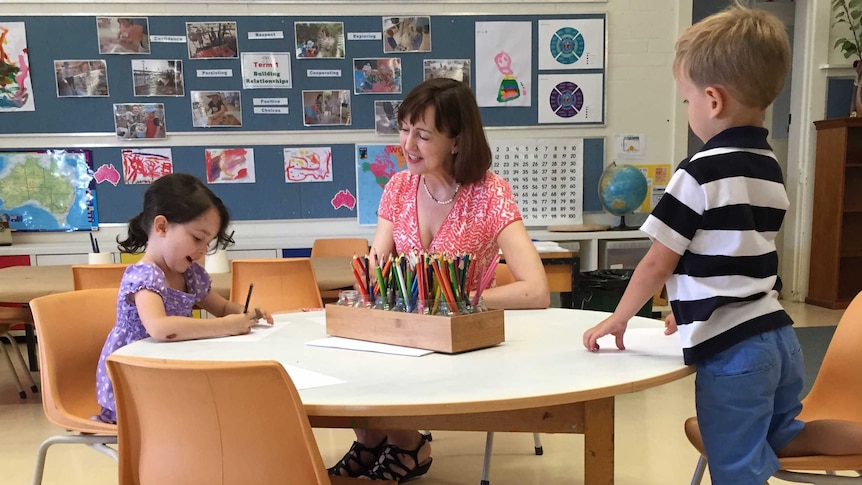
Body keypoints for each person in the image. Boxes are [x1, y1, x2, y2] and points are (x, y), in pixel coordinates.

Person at [582, 3, 862, 484]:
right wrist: (694, 305)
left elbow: (656, 263)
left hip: (736, 355)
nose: (687, 109)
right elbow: (741, 258)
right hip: (778, 339)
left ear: (712, 100)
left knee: (736, 469)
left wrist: (619, 316)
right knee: (786, 434)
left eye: (686, 100)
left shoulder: (698, 172)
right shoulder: (768, 166)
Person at [327, 77, 550, 482]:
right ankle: (374, 439)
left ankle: (407, 443)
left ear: (457, 141)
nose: (407, 145)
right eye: (404, 128)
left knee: (383, 365)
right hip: (410, 333)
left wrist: (459, 301)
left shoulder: (490, 193)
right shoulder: (397, 186)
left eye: (423, 135)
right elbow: (379, 263)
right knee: (351, 352)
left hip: (460, 340)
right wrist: (377, 285)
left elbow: (536, 290)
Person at [94, 173, 274, 424]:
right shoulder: (144, 276)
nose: (202, 250)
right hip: (136, 381)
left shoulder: (190, 275)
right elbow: (160, 328)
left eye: (208, 243)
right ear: (162, 227)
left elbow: (221, 307)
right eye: (197, 238)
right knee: (219, 409)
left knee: (234, 402)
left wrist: (247, 314)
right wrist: (226, 326)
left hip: (173, 371)